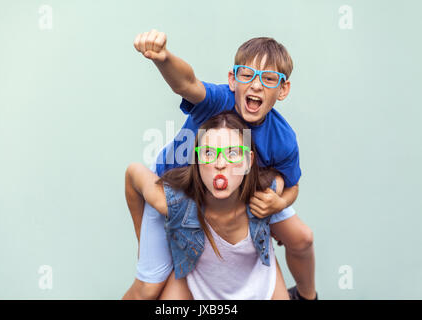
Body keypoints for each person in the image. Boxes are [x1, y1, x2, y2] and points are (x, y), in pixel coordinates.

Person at [124, 30, 316, 300]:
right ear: (232, 80)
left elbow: (292, 185)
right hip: (179, 188)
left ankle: (307, 296)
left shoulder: (282, 138)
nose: (256, 85)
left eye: (269, 79)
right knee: (149, 288)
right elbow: (185, 82)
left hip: (235, 190)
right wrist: (163, 58)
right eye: (246, 75)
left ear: (282, 89)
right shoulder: (217, 101)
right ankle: (156, 250)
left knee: (302, 237)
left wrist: (279, 203)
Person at [125, 111, 289, 299]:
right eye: (209, 153)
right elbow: (133, 173)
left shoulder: (266, 195)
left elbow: (300, 234)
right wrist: (143, 241)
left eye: (233, 153)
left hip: (257, 282)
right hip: (198, 283)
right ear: (196, 161)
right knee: (146, 291)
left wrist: (280, 204)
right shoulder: (175, 203)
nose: (220, 164)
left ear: (248, 161)